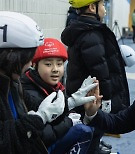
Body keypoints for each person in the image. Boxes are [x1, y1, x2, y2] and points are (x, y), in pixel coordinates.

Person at [0, 11, 97, 154]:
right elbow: (5, 141)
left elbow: (33, 107)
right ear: (10, 57)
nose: (28, 65)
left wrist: (69, 103)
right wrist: (40, 117)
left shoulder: (12, 81)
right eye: (26, 59)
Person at [61, 0, 130, 153]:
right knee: (93, 131)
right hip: (92, 98)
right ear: (92, 7)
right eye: (103, 5)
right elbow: (100, 71)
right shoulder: (91, 34)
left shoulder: (83, 29)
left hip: (84, 94)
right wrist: (106, 100)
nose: (105, 9)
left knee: (89, 133)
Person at [21, 38, 97, 154]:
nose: (55, 69)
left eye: (59, 64)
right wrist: (69, 122)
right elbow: (43, 137)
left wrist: (89, 114)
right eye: (48, 64)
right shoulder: (29, 92)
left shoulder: (54, 86)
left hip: (50, 141)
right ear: (35, 65)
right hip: (38, 148)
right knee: (83, 131)